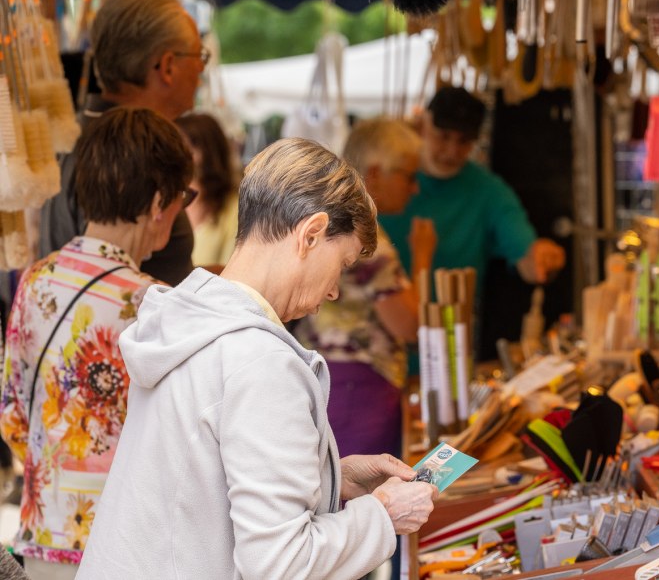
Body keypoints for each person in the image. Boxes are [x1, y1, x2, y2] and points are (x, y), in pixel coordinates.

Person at [76, 138, 438, 580]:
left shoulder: (189, 317)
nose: (334, 291)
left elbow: (199, 481)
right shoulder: (258, 359)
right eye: (339, 265)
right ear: (310, 234)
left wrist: (331, 477)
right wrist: (384, 514)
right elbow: (281, 564)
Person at [1, 108, 194, 580]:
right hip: (123, 543)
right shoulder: (154, 304)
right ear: (157, 202)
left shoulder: (35, 281)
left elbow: (13, 418)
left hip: (44, 536)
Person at [39, 0, 207, 286]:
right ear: (167, 67)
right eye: (200, 55)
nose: (201, 70)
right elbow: (124, 290)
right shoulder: (131, 154)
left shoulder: (76, 133)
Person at [294, 118, 435, 458]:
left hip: (329, 380)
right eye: (408, 176)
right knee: (362, 499)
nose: (414, 188)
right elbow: (410, 325)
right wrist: (423, 259)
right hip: (359, 388)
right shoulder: (368, 244)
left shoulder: (334, 223)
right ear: (374, 173)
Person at [379, 86, 566, 309]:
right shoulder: (386, 180)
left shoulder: (488, 190)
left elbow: (526, 255)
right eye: (443, 136)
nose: (451, 151)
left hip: (450, 330)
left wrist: (540, 258)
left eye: (464, 141)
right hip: (381, 331)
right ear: (422, 125)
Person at [175, 113, 240, 269]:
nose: (177, 155)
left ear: (210, 151)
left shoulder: (235, 208)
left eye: (189, 147)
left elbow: (232, 271)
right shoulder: (165, 199)